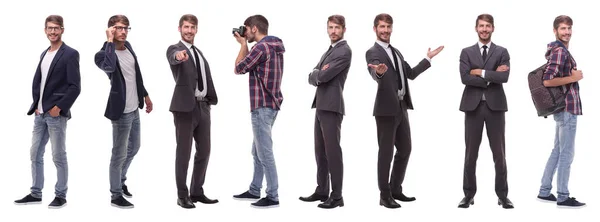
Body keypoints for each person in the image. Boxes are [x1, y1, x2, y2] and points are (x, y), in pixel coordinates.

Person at [365, 13, 443, 209]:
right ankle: (384, 195)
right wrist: (378, 73)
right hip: (385, 109)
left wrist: (428, 58)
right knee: (385, 153)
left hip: (401, 106)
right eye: (381, 27)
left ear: (392, 28)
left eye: (388, 27)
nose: (385, 30)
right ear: (375, 29)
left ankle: (395, 189)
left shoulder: (396, 52)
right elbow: (375, 71)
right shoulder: (372, 52)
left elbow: (410, 74)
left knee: (405, 149)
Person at [14, 15, 81, 209]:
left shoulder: (70, 54)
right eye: (49, 28)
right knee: (35, 154)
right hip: (40, 113)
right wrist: (37, 105)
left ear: (62, 30)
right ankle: (36, 193)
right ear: (45, 30)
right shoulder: (44, 53)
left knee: (58, 156)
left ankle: (61, 195)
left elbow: (75, 87)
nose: (53, 32)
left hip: (55, 114)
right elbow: (41, 83)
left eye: (56, 28)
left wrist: (59, 108)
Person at [94, 14, 153, 209]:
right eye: (118, 28)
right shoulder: (102, 55)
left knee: (134, 147)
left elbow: (136, 74)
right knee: (118, 154)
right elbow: (109, 67)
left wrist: (145, 95)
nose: (123, 32)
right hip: (120, 112)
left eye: (126, 28)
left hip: (134, 107)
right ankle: (115, 194)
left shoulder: (129, 48)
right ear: (110, 29)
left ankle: (120, 180)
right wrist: (109, 41)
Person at [457, 14, 513, 209]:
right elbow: (464, 78)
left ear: (493, 28)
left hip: (495, 108)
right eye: (481, 26)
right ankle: (468, 194)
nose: (484, 29)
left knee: (499, 153)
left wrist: (479, 72)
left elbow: (504, 77)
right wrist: (492, 75)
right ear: (476, 28)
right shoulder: (466, 52)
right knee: (471, 153)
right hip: (472, 107)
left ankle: (503, 195)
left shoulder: (502, 51)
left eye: (488, 26)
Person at [166, 14, 219, 209]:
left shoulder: (199, 52)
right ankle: (182, 195)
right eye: (186, 27)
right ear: (179, 28)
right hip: (184, 109)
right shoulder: (175, 49)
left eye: (192, 27)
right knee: (184, 152)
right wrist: (178, 57)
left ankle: (197, 191)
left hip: (204, 106)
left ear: (197, 30)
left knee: (204, 150)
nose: (189, 30)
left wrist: (210, 100)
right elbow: (173, 57)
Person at [232, 14, 285, 208]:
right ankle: (255, 189)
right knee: (257, 150)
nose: (244, 32)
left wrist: (242, 44)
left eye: (246, 29)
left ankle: (272, 195)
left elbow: (239, 68)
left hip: (262, 106)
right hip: (271, 105)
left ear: (254, 28)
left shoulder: (261, 48)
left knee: (264, 153)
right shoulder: (275, 46)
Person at [299, 14, 351, 209]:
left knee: (332, 152)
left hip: (331, 106)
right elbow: (315, 73)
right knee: (320, 152)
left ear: (344, 29)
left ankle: (337, 196)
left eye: (337, 28)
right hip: (321, 105)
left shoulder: (344, 51)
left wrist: (318, 73)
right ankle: (322, 190)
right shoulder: (330, 50)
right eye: (330, 27)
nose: (333, 31)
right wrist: (317, 73)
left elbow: (324, 74)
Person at [536, 15, 586, 208]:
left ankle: (544, 191)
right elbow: (547, 80)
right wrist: (574, 77)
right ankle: (563, 196)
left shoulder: (559, 50)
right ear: (555, 30)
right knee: (566, 153)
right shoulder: (560, 52)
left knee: (558, 150)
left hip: (563, 108)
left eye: (569, 28)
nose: (566, 32)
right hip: (567, 108)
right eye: (563, 28)